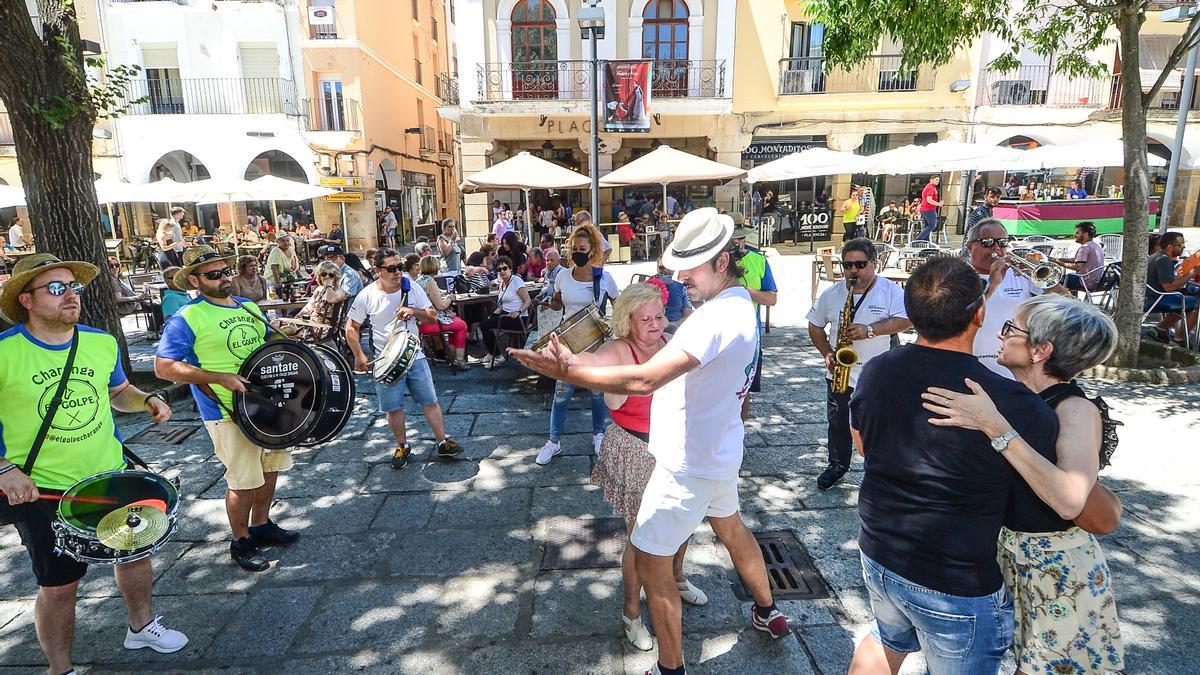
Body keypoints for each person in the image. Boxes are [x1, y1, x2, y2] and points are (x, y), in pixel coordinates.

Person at [511, 209, 792, 675]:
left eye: (693, 265)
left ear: (723, 262)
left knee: (651, 563)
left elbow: (642, 381)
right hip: (720, 454)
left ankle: (670, 667)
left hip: (684, 466)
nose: (681, 276)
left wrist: (568, 372)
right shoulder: (744, 307)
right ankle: (766, 610)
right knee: (734, 532)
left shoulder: (710, 319)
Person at [847, 256, 1059, 674]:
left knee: (887, 638)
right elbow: (1052, 497)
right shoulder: (1013, 401)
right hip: (953, 581)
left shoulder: (875, 370)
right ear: (979, 314)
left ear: (910, 315)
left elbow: (863, 446)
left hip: (879, 550)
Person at [0, 255, 189, 673]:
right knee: (61, 585)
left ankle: (141, 627)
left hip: (109, 475)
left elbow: (119, 392)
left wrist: (147, 400)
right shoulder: (4, 353)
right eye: (56, 288)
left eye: (74, 287)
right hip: (43, 489)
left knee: (134, 554)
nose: (71, 295)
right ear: (26, 300)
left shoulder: (100, 341)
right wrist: (4, 469)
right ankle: (60, 668)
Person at [921, 295, 1125, 674]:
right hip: (1008, 556)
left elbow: (1069, 500)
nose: (1001, 334)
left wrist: (996, 428)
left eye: (1011, 329)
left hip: (1057, 568)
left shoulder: (1075, 409)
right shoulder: (1015, 397)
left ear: (1040, 350)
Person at [155, 246, 302, 572]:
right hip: (226, 411)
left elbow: (264, 344)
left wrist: (288, 334)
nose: (224, 278)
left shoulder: (248, 307)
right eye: (214, 274)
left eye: (225, 271)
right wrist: (218, 376)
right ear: (194, 280)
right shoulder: (187, 318)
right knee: (242, 480)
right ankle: (241, 541)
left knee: (269, 468)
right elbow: (163, 367)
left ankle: (261, 526)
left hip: (268, 403)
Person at [587, 282, 707, 652]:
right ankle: (631, 613)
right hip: (636, 449)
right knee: (641, 541)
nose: (655, 324)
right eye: (646, 319)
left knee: (683, 522)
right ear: (627, 321)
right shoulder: (618, 352)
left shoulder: (668, 343)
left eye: (659, 316)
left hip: (674, 447)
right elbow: (611, 397)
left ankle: (676, 576)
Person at [807, 238, 911, 491]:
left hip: (878, 374)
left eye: (860, 264)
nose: (853, 270)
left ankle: (879, 470)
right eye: (848, 265)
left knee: (878, 425)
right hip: (841, 373)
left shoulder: (890, 290)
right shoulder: (833, 294)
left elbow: (906, 320)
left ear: (874, 264)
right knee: (838, 423)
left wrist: (871, 330)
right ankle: (837, 465)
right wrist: (827, 353)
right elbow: (814, 325)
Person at [346, 248, 464, 469]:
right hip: (385, 359)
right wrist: (359, 355)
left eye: (399, 267)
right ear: (377, 270)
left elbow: (431, 317)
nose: (398, 272)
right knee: (393, 408)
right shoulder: (368, 295)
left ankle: (442, 442)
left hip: (414, 354)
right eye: (391, 268)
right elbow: (351, 328)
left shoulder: (412, 287)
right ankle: (402, 445)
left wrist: (413, 311)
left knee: (430, 400)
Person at [534, 223, 620, 464]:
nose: (578, 252)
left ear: (593, 249)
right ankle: (553, 442)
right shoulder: (562, 275)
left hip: (596, 347)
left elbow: (620, 305)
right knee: (562, 393)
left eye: (582, 248)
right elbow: (559, 303)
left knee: (596, 394)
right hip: (568, 345)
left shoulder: (604, 278)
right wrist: (550, 303)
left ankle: (599, 435)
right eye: (574, 248)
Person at [966, 219, 1068, 378]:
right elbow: (962, 316)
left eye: (1002, 243)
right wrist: (992, 283)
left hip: (1013, 371)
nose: (996, 248)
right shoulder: (959, 277)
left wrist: (1043, 279)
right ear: (970, 246)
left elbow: (1066, 301)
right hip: (972, 365)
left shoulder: (1020, 274)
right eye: (987, 242)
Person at [732, 218, 778, 421]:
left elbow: (771, 298)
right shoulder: (714, 262)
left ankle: (739, 435)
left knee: (744, 390)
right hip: (719, 333)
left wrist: (745, 292)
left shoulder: (759, 261)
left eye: (739, 238)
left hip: (750, 335)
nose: (736, 243)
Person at [413, 254, 470, 370]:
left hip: (421, 322)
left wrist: (444, 295)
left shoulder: (419, 280)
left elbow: (436, 295)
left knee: (457, 321)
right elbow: (441, 305)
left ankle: (453, 357)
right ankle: (459, 360)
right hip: (431, 322)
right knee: (462, 325)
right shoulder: (430, 281)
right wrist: (450, 298)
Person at [1146, 231, 1199, 344]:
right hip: (1157, 298)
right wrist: (1192, 273)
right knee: (1197, 304)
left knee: (1189, 296)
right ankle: (1179, 339)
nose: (1183, 248)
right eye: (1181, 245)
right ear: (1170, 247)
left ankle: (1161, 329)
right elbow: (1169, 288)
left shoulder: (1159, 256)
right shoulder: (1163, 260)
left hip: (1154, 295)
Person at [276, 261, 348, 342]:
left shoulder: (339, 291)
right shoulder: (319, 289)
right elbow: (308, 307)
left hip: (322, 329)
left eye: (331, 275)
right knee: (274, 324)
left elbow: (331, 299)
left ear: (336, 277)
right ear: (319, 276)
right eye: (324, 274)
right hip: (309, 324)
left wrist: (328, 285)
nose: (327, 277)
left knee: (281, 331)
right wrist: (297, 318)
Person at [480, 255, 532, 364]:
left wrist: (518, 312)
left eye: (505, 268)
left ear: (510, 269)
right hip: (505, 314)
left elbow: (528, 301)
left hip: (519, 318)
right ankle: (492, 353)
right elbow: (501, 306)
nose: (502, 271)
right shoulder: (502, 284)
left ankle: (497, 356)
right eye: (499, 269)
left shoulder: (516, 281)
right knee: (485, 323)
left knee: (486, 325)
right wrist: (493, 315)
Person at [107, 256, 162, 332]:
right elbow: (118, 299)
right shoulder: (113, 281)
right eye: (111, 266)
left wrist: (141, 296)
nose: (114, 267)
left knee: (158, 303)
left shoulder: (118, 279)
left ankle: (153, 328)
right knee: (158, 307)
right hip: (128, 306)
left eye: (116, 265)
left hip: (134, 302)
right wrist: (137, 298)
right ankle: (153, 330)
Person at [1057, 221, 1106, 293]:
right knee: (1071, 278)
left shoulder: (1084, 248)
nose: (1075, 235)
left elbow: (1078, 267)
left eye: (1077, 233)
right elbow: (1080, 260)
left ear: (1085, 234)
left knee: (1056, 280)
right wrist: (1060, 259)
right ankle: (1074, 300)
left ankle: (1067, 301)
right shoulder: (1096, 245)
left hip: (1085, 282)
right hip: (1098, 282)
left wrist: (1059, 263)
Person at [654, 257, 693, 330]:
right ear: (657, 269)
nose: (665, 270)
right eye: (661, 267)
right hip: (655, 327)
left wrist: (672, 325)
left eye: (668, 267)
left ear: (673, 269)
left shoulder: (681, 288)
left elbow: (688, 316)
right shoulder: (649, 287)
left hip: (676, 327)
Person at [915, 175, 943, 242]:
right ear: (931, 180)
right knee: (932, 225)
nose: (937, 182)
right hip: (929, 209)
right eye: (936, 180)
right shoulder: (931, 188)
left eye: (938, 180)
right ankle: (918, 239)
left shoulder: (929, 187)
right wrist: (938, 204)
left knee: (927, 226)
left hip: (925, 209)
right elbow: (929, 199)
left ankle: (925, 241)